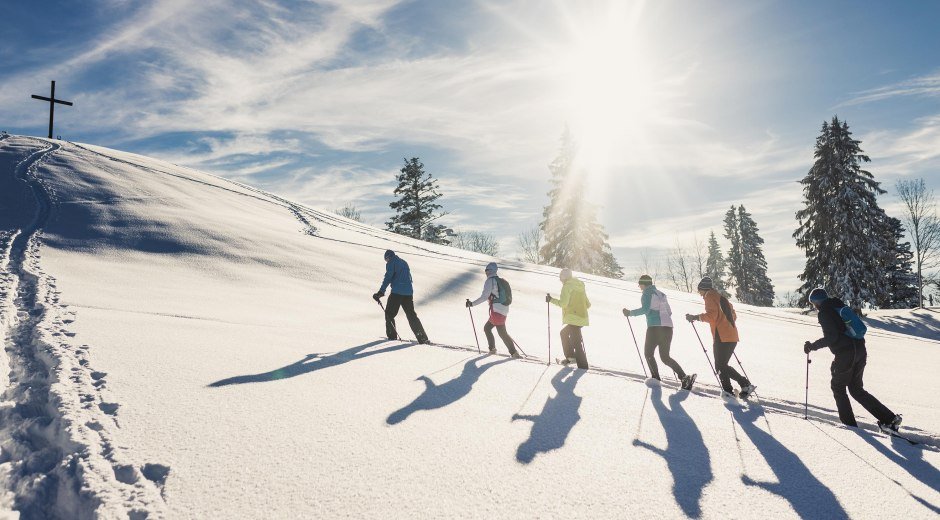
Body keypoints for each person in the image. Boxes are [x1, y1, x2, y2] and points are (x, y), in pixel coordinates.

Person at [803, 288, 902, 432]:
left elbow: (832, 337)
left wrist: (813, 346)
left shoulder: (825, 312)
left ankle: (850, 427)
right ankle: (889, 419)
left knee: (838, 387)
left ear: (817, 302)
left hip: (846, 355)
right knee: (856, 389)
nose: (814, 306)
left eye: (813, 303)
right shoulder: (838, 306)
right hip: (860, 350)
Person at [685, 277, 755, 399]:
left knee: (720, 366)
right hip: (732, 336)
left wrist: (695, 317)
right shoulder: (721, 298)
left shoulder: (709, 296)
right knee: (723, 365)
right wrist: (725, 324)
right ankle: (741, 386)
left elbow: (712, 316)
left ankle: (732, 390)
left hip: (721, 337)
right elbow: (733, 315)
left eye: (700, 291)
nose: (700, 294)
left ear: (703, 289)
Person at [624, 275, 695, 389]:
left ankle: (655, 379)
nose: (639, 287)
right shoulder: (661, 294)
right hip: (668, 328)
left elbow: (645, 309)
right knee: (665, 357)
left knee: (648, 353)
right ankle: (684, 378)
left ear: (644, 284)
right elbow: (669, 312)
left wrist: (630, 313)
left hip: (655, 328)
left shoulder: (647, 293)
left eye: (639, 284)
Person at [373, 250, 430, 344]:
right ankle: (422, 337)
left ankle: (392, 337)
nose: (386, 262)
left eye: (386, 260)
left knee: (389, 313)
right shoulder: (403, 262)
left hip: (397, 292)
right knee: (411, 315)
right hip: (408, 292)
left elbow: (388, 277)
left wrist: (381, 292)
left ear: (388, 257)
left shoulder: (392, 262)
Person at [466, 262, 520, 358]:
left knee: (501, 332)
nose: (486, 273)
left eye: (487, 271)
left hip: (496, 310)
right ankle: (493, 349)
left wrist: (472, 304)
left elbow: (484, 297)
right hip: (504, 308)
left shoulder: (490, 281)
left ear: (490, 271)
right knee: (488, 328)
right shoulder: (499, 280)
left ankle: (514, 353)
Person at [546, 268, 590, 369]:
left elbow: (563, 304)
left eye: (561, 277)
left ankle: (583, 366)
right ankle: (571, 357)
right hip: (582, 317)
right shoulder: (580, 285)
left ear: (564, 277)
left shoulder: (567, 287)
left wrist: (551, 300)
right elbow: (587, 304)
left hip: (573, 318)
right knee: (565, 334)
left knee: (576, 342)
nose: (560, 280)